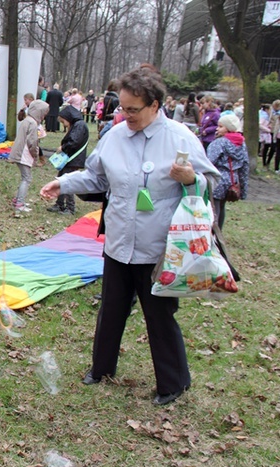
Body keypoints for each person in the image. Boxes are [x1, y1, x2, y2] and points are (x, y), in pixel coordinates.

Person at [39, 66, 220, 406]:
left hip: (160, 248)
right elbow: (96, 178)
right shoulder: (115, 136)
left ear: (155, 105)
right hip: (119, 242)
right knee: (111, 309)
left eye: (133, 110)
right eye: (122, 108)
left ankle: (173, 382)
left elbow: (212, 183)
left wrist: (189, 178)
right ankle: (101, 368)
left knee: (159, 315)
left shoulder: (181, 138)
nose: (126, 115)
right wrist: (62, 183)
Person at [206, 114, 249, 229]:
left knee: (214, 208)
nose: (217, 128)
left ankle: (213, 234)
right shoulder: (241, 143)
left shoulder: (219, 143)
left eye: (220, 126)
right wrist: (243, 189)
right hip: (232, 180)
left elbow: (209, 162)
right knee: (221, 206)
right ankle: (219, 231)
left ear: (229, 128)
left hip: (218, 179)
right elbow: (245, 166)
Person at [8, 99, 49, 217]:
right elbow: (32, 141)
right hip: (24, 154)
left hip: (21, 153)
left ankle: (17, 200)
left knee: (25, 177)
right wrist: (35, 154)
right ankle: (19, 204)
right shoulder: (33, 123)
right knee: (27, 178)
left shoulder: (27, 120)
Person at [47, 105, 88, 215]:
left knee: (68, 182)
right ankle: (59, 204)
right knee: (61, 180)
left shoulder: (79, 125)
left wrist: (63, 148)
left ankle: (70, 207)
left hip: (74, 159)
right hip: (70, 159)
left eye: (63, 121)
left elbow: (73, 142)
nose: (63, 124)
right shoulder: (77, 125)